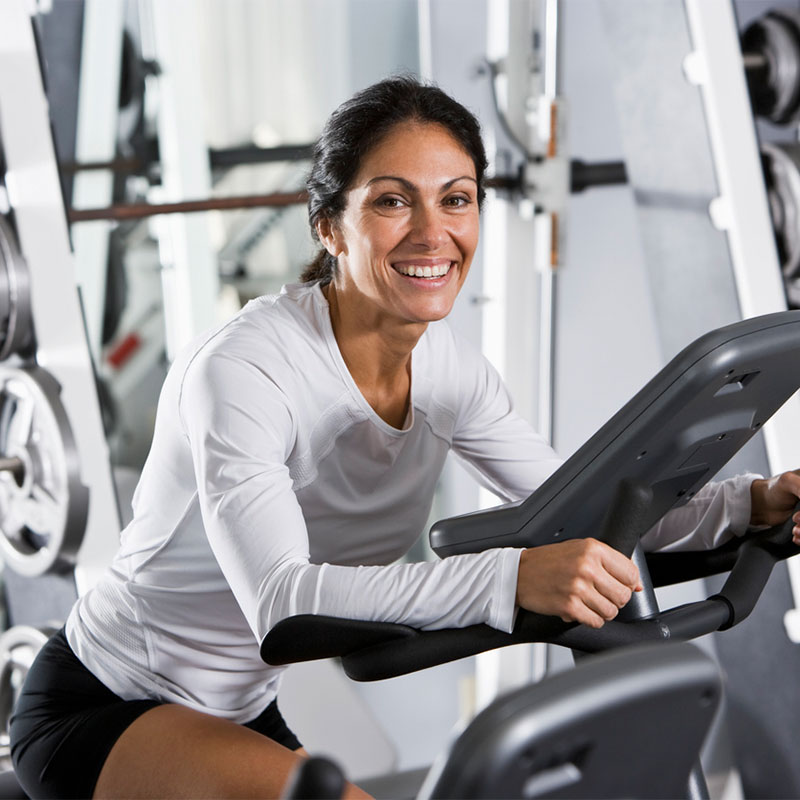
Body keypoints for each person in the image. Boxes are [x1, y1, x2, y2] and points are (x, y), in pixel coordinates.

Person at [10, 75, 800, 800]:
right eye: (393, 202)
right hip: (108, 702)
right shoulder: (246, 371)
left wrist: (751, 506)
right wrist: (509, 580)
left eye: (457, 199)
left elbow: (584, 508)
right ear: (329, 227)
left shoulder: (452, 371)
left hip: (240, 710)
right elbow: (285, 603)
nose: (433, 233)